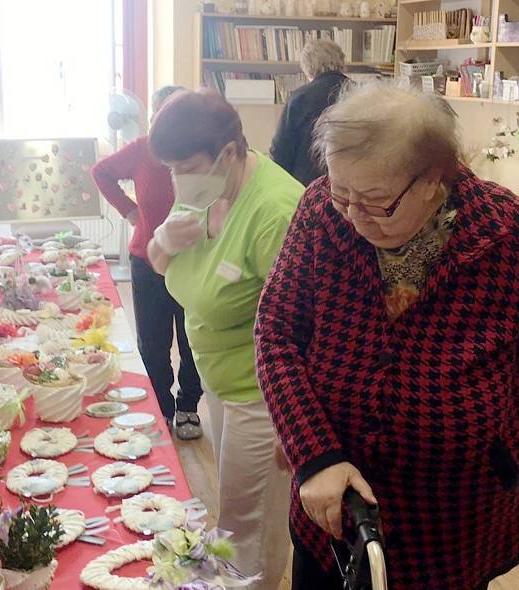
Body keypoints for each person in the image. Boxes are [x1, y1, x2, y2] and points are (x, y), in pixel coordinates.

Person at [254, 83, 519, 590]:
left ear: (433, 179)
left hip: (456, 521)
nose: (354, 217)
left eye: (377, 202)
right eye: (342, 194)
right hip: (333, 507)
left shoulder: (508, 232)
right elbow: (276, 333)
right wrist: (313, 453)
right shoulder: (318, 212)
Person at [147, 89, 302, 590]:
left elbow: (306, 327)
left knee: (250, 525)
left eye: (186, 166)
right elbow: (160, 262)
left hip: (263, 393)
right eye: (171, 168)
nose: (178, 179)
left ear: (230, 151)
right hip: (219, 373)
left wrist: (294, 426)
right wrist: (161, 243)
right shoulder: (201, 186)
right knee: (233, 510)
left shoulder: (276, 213)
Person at [90, 85, 204, 440]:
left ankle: (187, 406)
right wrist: (129, 210)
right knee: (153, 344)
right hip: (146, 261)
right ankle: (162, 409)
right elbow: (101, 172)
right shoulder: (141, 149)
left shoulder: (202, 154)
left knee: (191, 342)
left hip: (193, 262)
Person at [270, 38, 350, 186]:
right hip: (351, 186)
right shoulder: (359, 93)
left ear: (308, 67)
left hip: (306, 187)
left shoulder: (300, 97)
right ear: (341, 60)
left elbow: (280, 151)